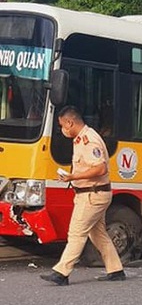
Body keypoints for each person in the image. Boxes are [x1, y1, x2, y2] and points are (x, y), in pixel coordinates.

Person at [40, 105, 125, 286]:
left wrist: (73, 176)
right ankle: (116, 270)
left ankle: (61, 272)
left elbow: (100, 168)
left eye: (62, 125)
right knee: (98, 234)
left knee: (76, 233)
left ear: (70, 123)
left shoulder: (89, 140)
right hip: (91, 193)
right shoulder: (81, 138)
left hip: (92, 195)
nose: (62, 130)